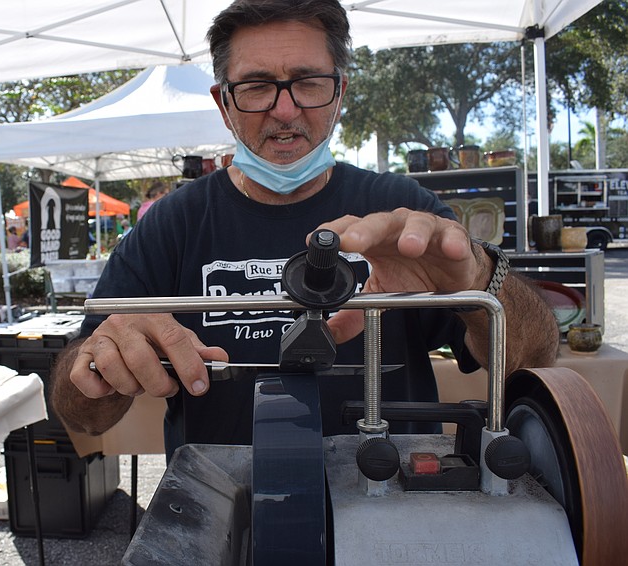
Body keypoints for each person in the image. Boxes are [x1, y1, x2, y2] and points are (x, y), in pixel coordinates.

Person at [51, 0, 558, 460]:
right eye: (256, 86)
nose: (286, 109)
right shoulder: (172, 224)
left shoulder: (402, 212)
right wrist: (99, 366)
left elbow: (534, 360)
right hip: (227, 511)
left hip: (391, 501)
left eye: (308, 82)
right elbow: (83, 416)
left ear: (340, 93)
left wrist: (478, 282)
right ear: (223, 103)